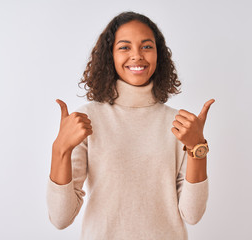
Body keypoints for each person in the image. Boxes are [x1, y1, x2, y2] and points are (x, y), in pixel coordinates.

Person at [46, 11, 215, 240]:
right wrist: (60, 150)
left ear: (158, 55)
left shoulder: (179, 126)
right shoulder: (86, 120)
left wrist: (198, 149)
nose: (137, 56)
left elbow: (192, 215)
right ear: (110, 56)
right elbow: (60, 218)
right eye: (124, 47)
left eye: (146, 47)